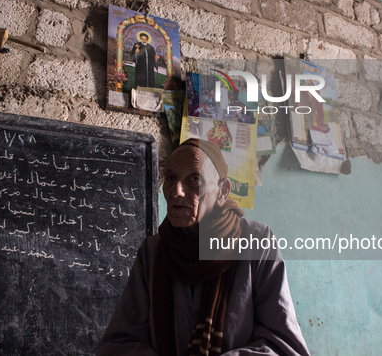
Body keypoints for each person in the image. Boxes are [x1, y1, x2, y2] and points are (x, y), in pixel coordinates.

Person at [97, 138, 310, 356]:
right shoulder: (153, 252)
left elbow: (285, 347)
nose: (176, 191)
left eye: (194, 179)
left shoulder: (256, 242)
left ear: (223, 192)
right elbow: (118, 344)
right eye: (170, 178)